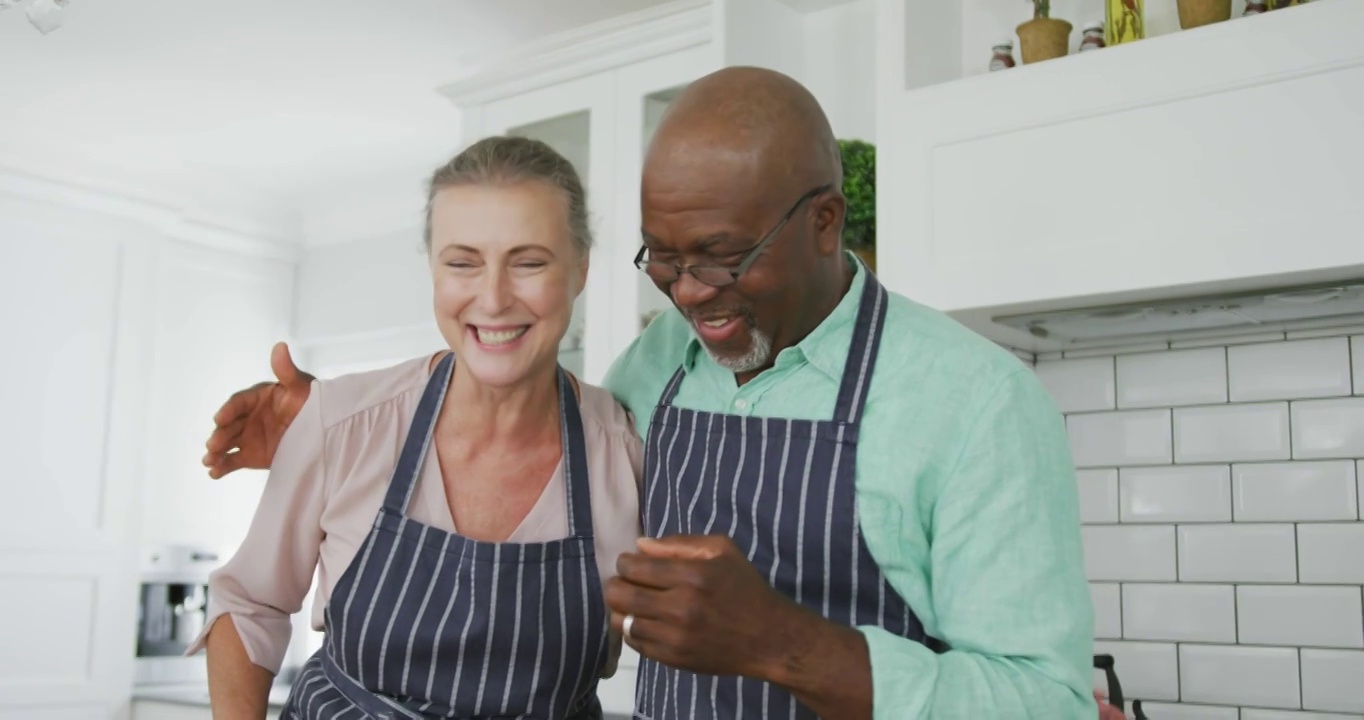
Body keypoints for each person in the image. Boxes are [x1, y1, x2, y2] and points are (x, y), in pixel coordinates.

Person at [203, 67, 1097, 719]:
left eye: (721, 256)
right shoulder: (660, 365)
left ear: (827, 221)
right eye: (665, 260)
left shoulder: (977, 405)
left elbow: (1049, 703)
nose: (692, 293)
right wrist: (342, 423)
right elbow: (508, 390)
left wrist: (780, 643)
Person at [189, 136, 644, 719]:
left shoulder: (624, 453)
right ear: (433, 269)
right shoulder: (344, 422)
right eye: (462, 263)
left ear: (580, 269)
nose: (494, 297)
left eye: (529, 262)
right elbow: (249, 603)